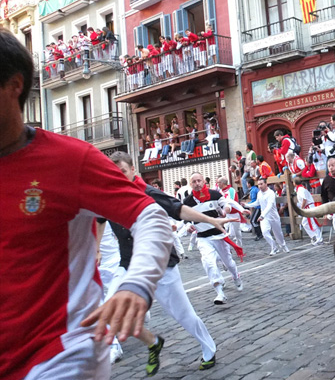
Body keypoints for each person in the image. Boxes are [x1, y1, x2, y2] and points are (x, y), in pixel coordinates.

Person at [0, 29, 174, 380]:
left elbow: (151, 215)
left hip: (60, 354)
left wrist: (136, 284)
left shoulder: (70, 159)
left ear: (14, 85)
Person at [103, 153, 224, 372]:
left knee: (183, 315)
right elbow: (99, 218)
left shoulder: (148, 193)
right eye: (113, 173)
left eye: (121, 172)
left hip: (159, 265)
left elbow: (178, 209)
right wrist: (94, 248)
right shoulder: (107, 196)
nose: (117, 177)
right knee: (111, 309)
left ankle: (209, 349)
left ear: (132, 171)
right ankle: (152, 343)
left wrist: (210, 219)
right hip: (128, 266)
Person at [181, 173, 243, 305]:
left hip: (219, 235)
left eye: (199, 180)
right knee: (209, 262)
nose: (197, 183)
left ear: (204, 181)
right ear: (190, 184)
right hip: (203, 237)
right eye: (194, 181)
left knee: (229, 262)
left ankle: (236, 276)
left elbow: (226, 203)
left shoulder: (214, 194)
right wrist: (188, 226)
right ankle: (219, 292)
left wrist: (225, 210)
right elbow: (185, 218)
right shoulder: (187, 202)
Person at [243, 177, 288, 256]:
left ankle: (283, 245)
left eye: (261, 184)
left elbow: (269, 206)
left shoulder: (271, 193)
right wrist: (246, 205)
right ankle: (274, 247)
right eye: (259, 184)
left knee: (278, 233)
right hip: (264, 217)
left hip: (273, 216)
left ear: (266, 184)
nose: (260, 186)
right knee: (264, 232)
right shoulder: (259, 193)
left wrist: (262, 215)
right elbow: (257, 203)